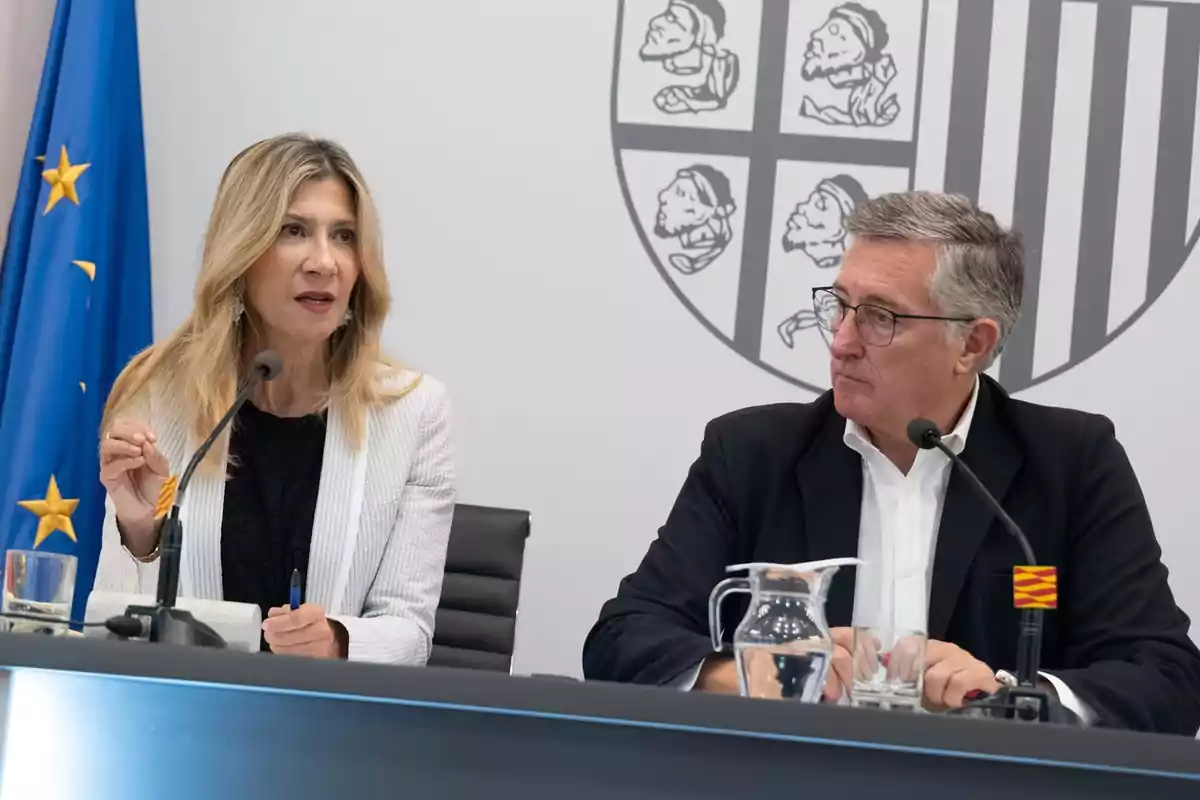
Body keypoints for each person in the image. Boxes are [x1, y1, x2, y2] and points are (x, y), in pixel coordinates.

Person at [583, 190, 1200, 734]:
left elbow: (1165, 677)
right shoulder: (752, 454)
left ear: (972, 344)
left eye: (881, 317)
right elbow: (623, 637)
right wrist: (753, 675)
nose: (842, 340)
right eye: (841, 305)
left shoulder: (1069, 465)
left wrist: (1015, 700)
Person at [93, 134, 456, 665]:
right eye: (294, 231)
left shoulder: (414, 413)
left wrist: (336, 641)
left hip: (331, 730)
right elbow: (113, 628)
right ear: (241, 253)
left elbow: (410, 631)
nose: (324, 262)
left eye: (345, 236)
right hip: (187, 723)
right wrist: (142, 531)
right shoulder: (160, 397)